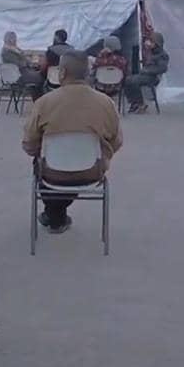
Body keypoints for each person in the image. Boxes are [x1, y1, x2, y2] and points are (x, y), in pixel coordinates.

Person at [22, 50, 123, 234]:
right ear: (88, 73)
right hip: (92, 171)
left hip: (52, 173)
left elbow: (29, 143)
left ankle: (55, 214)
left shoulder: (44, 103)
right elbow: (117, 141)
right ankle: (56, 215)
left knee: (42, 161)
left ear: (61, 73)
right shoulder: (106, 104)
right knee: (73, 163)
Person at [124, 31, 170, 114]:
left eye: (151, 41)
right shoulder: (152, 52)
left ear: (156, 43)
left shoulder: (162, 55)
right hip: (145, 76)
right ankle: (134, 102)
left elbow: (162, 68)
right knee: (127, 80)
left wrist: (148, 70)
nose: (149, 43)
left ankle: (140, 103)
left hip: (153, 77)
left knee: (134, 81)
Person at [1, 31, 44, 100]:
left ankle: (38, 101)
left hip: (21, 73)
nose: (15, 40)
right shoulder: (8, 52)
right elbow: (19, 64)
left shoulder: (13, 49)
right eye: (13, 38)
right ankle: (40, 102)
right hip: (19, 76)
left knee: (39, 77)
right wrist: (28, 62)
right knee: (42, 77)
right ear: (9, 39)